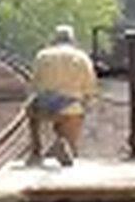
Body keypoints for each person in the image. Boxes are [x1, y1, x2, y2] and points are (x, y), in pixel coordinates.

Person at [26, 24, 98, 167]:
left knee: (30, 111)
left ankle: (37, 150)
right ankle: (64, 144)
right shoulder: (82, 57)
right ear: (72, 40)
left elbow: (34, 84)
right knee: (72, 130)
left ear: (55, 39)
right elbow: (90, 89)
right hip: (73, 107)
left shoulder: (42, 55)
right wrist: (85, 105)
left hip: (46, 106)